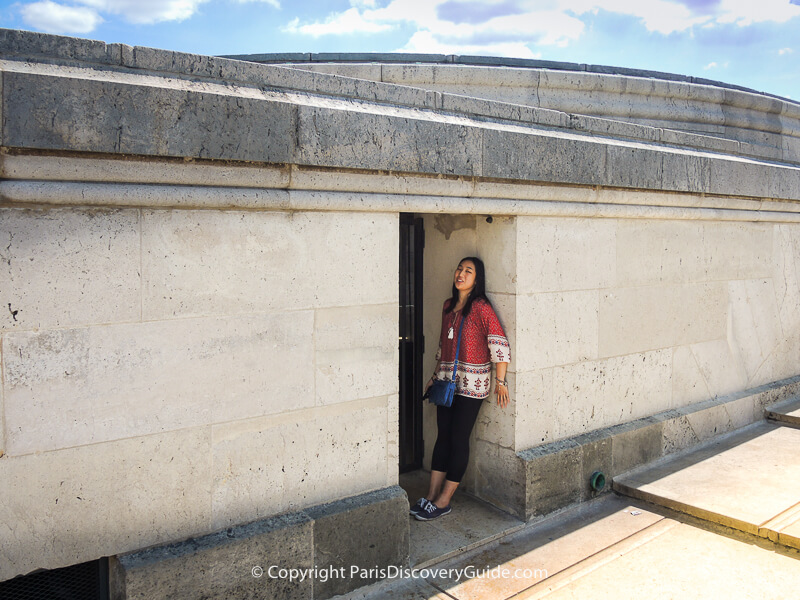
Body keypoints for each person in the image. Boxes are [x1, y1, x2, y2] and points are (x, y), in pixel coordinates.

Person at [411, 256, 510, 521]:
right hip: (446, 382)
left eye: (468, 271)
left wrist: (500, 382)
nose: (461, 274)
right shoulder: (447, 306)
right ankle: (431, 496)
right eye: (459, 269)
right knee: (442, 437)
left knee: (458, 438)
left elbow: (499, 345)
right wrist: (434, 376)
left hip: (473, 383)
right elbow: (443, 345)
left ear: (476, 280)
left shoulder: (481, 307)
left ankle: (444, 501)